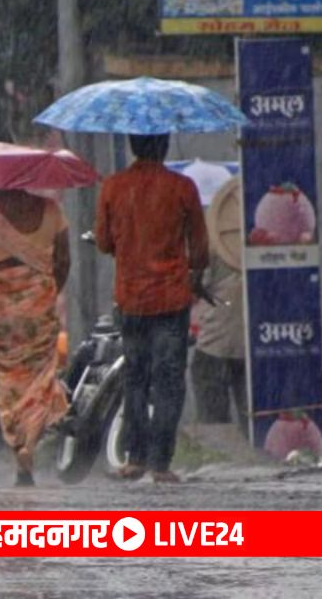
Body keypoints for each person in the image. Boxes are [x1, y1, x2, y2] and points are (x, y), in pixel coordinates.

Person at [95, 134, 209, 483]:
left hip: (131, 300)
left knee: (136, 379)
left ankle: (134, 458)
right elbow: (200, 247)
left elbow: (102, 242)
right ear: (164, 147)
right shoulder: (182, 187)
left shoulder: (114, 187)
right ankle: (161, 463)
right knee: (169, 382)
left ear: (132, 146)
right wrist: (195, 273)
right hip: (172, 301)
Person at [0, 189, 71, 486]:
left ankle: (18, 453)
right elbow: (63, 260)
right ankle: (31, 444)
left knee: (9, 380)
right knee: (40, 379)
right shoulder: (51, 209)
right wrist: (45, 293)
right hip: (38, 300)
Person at [190, 254, 247, 425]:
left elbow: (188, 286)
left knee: (214, 431)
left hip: (214, 347)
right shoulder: (266, 237)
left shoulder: (209, 236)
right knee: (257, 430)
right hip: (258, 346)